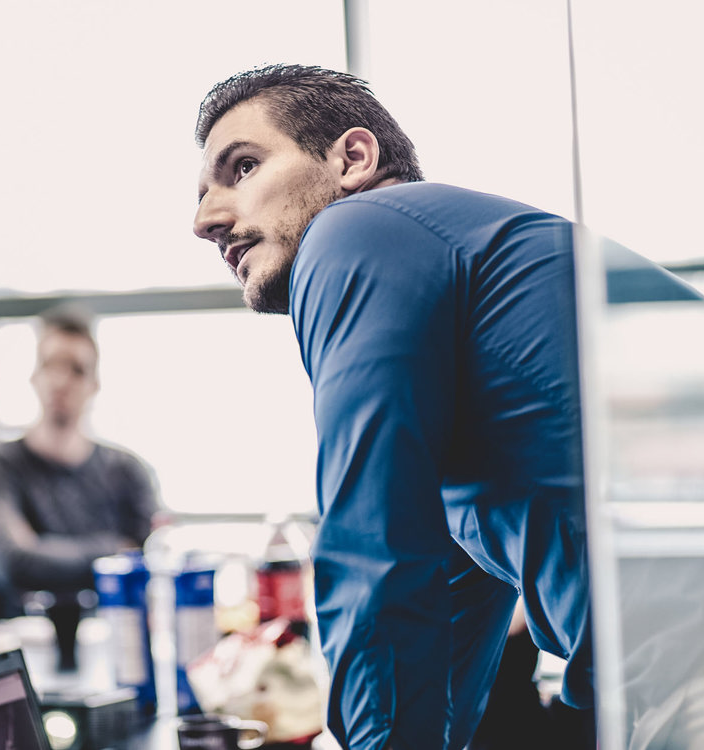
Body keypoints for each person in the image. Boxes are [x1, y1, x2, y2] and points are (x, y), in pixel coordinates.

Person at [190, 64, 600, 750]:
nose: (206, 219)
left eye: (244, 167)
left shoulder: (359, 229)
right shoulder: (463, 352)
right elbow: (435, 625)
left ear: (353, 158)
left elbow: (374, 540)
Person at [0, 306, 158, 632]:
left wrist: (45, 549)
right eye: (51, 366)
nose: (62, 381)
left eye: (77, 370)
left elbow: (150, 563)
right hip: (27, 642)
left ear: (94, 384)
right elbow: (16, 563)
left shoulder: (128, 470)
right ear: (35, 376)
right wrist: (115, 550)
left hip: (116, 636)